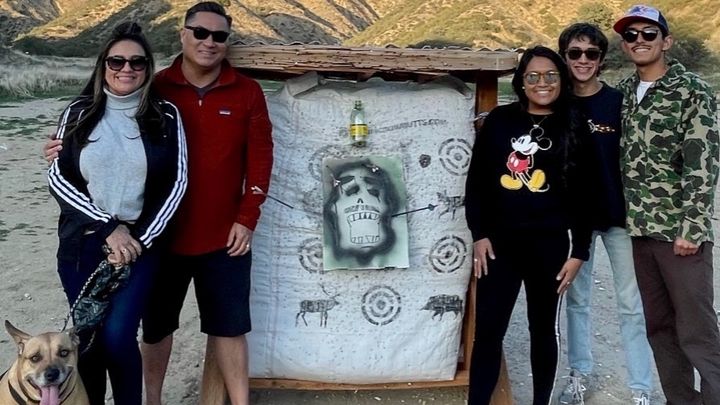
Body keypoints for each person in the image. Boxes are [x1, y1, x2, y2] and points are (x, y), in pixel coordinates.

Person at [45, 3, 272, 404]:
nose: (209, 41)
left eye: (219, 35)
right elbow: (69, 164)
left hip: (202, 238)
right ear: (183, 34)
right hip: (137, 240)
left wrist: (247, 216)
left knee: (224, 327)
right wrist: (58, 151)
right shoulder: (145, 93)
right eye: (200, 32)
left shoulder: (231, 94)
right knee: (139, 330)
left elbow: (257, 159)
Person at [46, 22, 187, 405]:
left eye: (137, 62)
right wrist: (109, 228)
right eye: (117, 61)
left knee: (118, 335)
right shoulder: (78, 112)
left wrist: (136, 240)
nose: (127, 69)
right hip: (82, 245)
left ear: (148, 68)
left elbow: (177, 184)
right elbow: (58, 178)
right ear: (103, 65)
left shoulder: (166, 115)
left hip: (140, 247)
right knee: (88, 339)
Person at [464, 45, 591, 405]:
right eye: (533, 76)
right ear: (521, 82)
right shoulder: (500, 121)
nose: (542, 83)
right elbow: (477, 182)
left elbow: (586, 193)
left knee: (543, 330)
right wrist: (479, 234)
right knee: (489, 332)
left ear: (562, 80)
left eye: (551, 75)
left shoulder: (574, 124)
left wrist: (579, 251)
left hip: (549, 246)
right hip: (499, 246)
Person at [613, 5, 720, 405]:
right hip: (640, 232)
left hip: (680, 235)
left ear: (666, 41)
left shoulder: (692, 90)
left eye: (649, 34)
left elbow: (702, 162)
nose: (639, 40)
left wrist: (691, 228)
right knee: (659, 328)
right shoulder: (624, 92)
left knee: (697, 332)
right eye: (631, 35)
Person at [556, 22, 653, 405]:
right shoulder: (557, 103)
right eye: (575, 53)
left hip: (618, 217)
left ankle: (641, 388)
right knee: (576, 300)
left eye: (591, 53)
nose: (583, 60)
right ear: (564, 58)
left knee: (631, 304)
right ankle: (579, 375)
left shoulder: (619, 102)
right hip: (572, 222)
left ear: (601, 60)